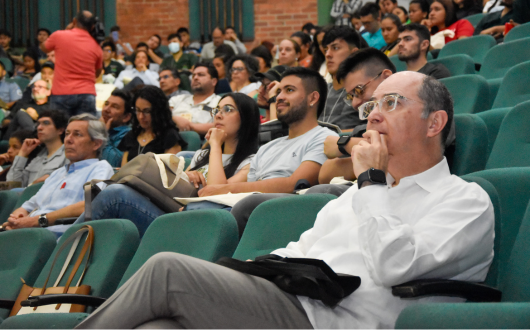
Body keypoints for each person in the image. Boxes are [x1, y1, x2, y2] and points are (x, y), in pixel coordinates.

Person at [76, 71, 494, 330]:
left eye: (391, 103)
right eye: (370, 105)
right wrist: (249, 275)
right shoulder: (355, 196)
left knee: (166, 270)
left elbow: (393, 266)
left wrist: (371, 181)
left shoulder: (464, 201)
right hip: (292, 306)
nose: (372, 116)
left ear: (434, 122)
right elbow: (300, 252)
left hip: (336, 323)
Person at [72, 93, 261, 236]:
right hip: (170, 210)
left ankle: (64, 246)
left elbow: (215, 190)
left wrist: (214, 145)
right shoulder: (203, 155)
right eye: (217, 110)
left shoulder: (251, 161)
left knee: (115, 195)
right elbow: (178, 186)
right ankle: (67, 246)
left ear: (246, 119)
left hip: (195, 225)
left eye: (227, 109)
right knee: (106, 190)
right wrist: (189, 175)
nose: (218, 115)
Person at [201, 67, 339, 233]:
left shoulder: (324, 138)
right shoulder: (268, 147)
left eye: (289, 90)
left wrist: (224, 190)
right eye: (279, 91)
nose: (279, 97)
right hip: (246, 209)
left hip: (280, 215)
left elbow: (294, 183)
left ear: (313, 98)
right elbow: (233, 187)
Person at [1, 114, 114, 236]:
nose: (68, 140)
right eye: (67, 134)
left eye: (77, 134)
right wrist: (17, 218)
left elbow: (90, 205)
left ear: (96, 144)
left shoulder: (100, 168)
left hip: (53, 238)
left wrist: (35, 221)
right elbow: (29, 205)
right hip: (28, 233)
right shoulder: (58, 173)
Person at [314, 48, 395, 189]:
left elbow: (408, 150)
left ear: (386, 77)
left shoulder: (419, 110)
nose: (355, 103)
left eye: (358, 90)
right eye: (351, 96)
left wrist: (346, 144)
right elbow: (326, 172)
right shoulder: (365, 128)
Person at [43, 11, 102, 116]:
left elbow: (44, 47)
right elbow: (97, 74)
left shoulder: (59, 36)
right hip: (86, 93)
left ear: (74, 21)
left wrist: (66, 30)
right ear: (92, 26)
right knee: (83, 129)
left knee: (60, 129)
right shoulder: (96, 47)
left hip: (61, 92)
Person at [118, 85, 186, 166]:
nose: (141, 116)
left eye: (146, 111)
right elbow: (123, 170)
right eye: (138, 110)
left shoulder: (170, 136)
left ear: (158, 111)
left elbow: (171, 172)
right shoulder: (131, 136)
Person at [319, 26, 366, 130]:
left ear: (353, 53)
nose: (328, 54)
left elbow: (372, 130)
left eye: (335, 48)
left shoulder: (364, 91)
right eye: (326, 49)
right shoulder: (320, 91)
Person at [7, 110, 68, 187]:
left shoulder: (68, 154)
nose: (39, 127)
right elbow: (12, 186)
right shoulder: (38, 157)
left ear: (60, 130)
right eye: (38, 124)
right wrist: (22, 154)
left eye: (46, 123)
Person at [169, 63, 221, 136]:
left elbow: (221, 126)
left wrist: (190, 126)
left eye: (201, 75)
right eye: (193, 75)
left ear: (214, 81)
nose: (195, 78)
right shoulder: (177, 99)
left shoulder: (220, 102)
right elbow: (162, 115)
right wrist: (174, 118)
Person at [100, 89, 133, 168]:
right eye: (106, 104)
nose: (106, 109)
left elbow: (111, 163)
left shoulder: (128, 135)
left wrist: (104, 134)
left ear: (126, 117)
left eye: (114, 107)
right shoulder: (96, 126)